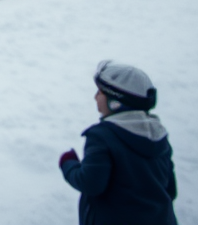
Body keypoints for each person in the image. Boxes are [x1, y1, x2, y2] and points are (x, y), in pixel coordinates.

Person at [59, 60, 178, 225]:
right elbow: (170, 189)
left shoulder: (102, 136)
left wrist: (68, 163)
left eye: (100, 92)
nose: (95, 97)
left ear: (116, 102)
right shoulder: (159, 136)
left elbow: (91, 183)